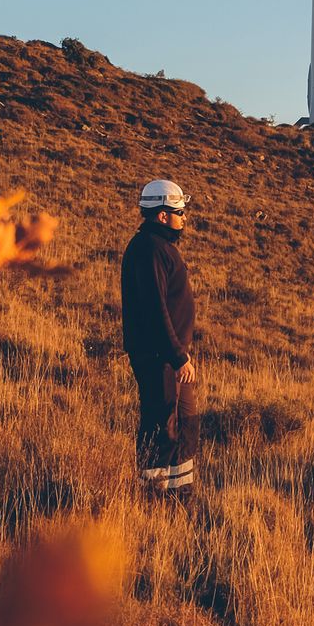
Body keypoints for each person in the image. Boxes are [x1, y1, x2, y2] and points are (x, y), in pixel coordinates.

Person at [120, 178, 200, 495]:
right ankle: (153, 497)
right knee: (161, 426)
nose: (184, 218)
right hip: (159, 358)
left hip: (170, 357)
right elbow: (156, 309)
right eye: (179, 211)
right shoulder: (149, 249)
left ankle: (180, 495)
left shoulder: (159, 248)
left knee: (183, 425)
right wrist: (177, 356)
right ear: (162, 214)